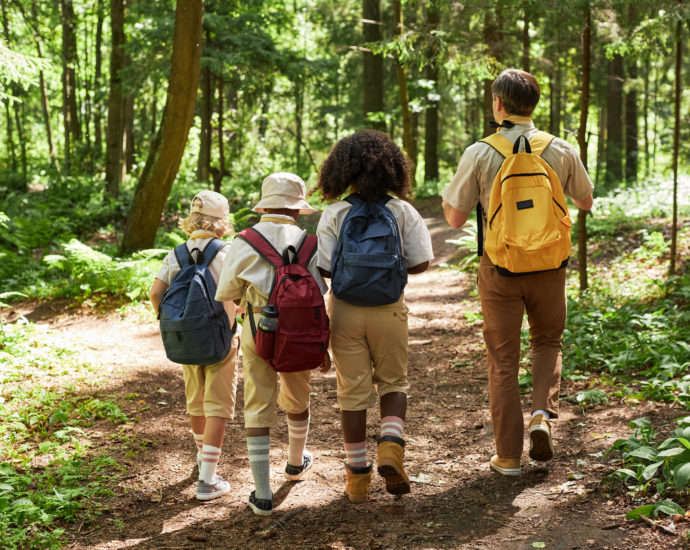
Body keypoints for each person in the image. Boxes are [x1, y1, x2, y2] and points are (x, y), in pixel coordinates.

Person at [441, 69, 594, 475]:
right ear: (534, 105)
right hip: (550, 267)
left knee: (503, 361)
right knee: (547, 342)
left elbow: (454, 219)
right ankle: (541, 414)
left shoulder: (480, 152)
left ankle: (507, 458)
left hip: (500, 268)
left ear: (498, 104)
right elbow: (586, 202)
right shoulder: (560, 149)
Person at [314, 130, 434, 502]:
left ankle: (358, 479)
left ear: (341, 169)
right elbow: (421, 263)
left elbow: (323, 269)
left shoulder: (334, 213)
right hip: (389, 311)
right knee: (394, 382)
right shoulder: (401, 211)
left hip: (345, 313)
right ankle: (391, 447)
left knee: (352, 393)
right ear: (393, 168)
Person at [215, 172, 330, 516]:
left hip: (256, 326)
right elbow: (320, 293)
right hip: (299, 331)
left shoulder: (244, 240)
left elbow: (227, 292)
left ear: (264, 206)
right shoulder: (309, 242)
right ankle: (295, 462)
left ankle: (262, 494)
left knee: (258, 400)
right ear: (297, 210)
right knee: (298, 392)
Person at [149, 190, 240, 500]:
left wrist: (173, 322)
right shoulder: (228, 253)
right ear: (221, 222)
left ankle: (203, 458)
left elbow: (154, 293)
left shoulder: (176, 254)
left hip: (186, 337)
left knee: (197, 400)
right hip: (221, 339)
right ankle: (208, 478)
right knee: (218, 405)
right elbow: (238, 295)